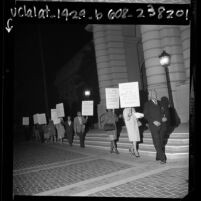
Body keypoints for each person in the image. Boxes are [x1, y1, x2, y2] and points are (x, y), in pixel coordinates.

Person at [143, 89, 167, 164]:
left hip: (162, 126)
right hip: (153, 126)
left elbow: (164, 112)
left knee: (161, 141)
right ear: (150, 95)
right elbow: (146, 115)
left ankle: (158, 155)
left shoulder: (160, 103)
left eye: (155, 93)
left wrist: (164, 117)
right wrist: (153, 121)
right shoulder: (147, 104)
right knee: (157, 141)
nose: (155, 95)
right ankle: (162, 158)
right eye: (153, 94)